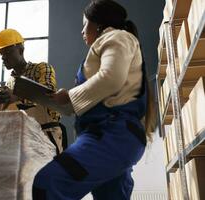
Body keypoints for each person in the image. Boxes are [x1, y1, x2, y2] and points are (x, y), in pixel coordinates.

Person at [32, 0, 156, 199]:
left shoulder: (116, 37)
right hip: (115, 138)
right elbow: (106, 91)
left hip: (112, 136)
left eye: (84, 24)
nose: (82, 31)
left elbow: (111, 77)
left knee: (49, 183)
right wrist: (66, 102)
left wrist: (70, 96)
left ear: (98, 24)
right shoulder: (115, 42)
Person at [0, 29, 66, 154]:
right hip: (22, 136)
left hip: (46, 133)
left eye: (7, 52)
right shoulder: (9, 82)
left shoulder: (42, 68)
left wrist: (17, 97)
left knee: (47, 171)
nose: (3, 57)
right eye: (1, 54)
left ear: (21, 50)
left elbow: (49, 96)